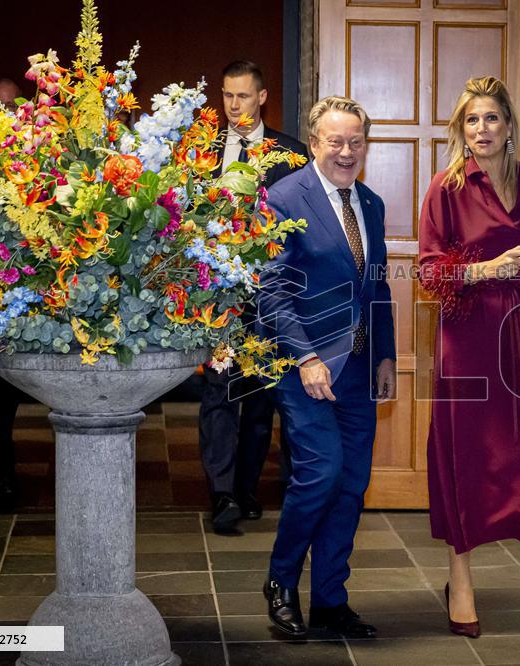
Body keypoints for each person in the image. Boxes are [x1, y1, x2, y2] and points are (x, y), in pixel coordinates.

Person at [417, 76, 520, 643]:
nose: (482, 129)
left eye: (492, 118)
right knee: (466, 459)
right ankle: (459, 579)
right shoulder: (446, 189)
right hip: (467, 338)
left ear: (510, 126)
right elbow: (426, 271)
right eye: (471, 120)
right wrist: (483, 270)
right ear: (459, 129)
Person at [256, 96, 397, 638]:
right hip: (304, 367)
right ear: (314, 143)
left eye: (355, 142)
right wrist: (307, 357)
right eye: (335, 141)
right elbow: (271, 289)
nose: (346, 152)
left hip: (360, 369)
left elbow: (378, 285)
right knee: (320, 473)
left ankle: (331, 600)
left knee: (352, 482)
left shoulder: (373, 205)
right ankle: (281, 581)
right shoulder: (283, 198)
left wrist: (385, 354)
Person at [199, 60, 308, 533]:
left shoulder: (291, 154)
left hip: (273, 294)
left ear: (262, 97)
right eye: (227, 96)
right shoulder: (201, 153)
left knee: (262, 397)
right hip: (218, 294)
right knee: (218, 391)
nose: (234, 105)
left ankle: (245, 487)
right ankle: (221, 493)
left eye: (243, 96)